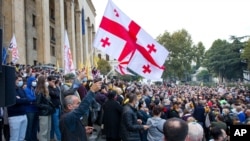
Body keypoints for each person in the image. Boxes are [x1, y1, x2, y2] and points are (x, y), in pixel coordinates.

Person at [7, 75, 29, 141]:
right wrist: (22, 100)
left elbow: (27, 99)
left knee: (22, 137)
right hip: (14, 116)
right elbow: (16, 101)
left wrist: (21, 99)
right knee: (14, 138)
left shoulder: (20, 89)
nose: (20, 82)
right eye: (18, 80)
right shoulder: (9, 90)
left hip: (23, 114)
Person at [36, 75, 55, 141]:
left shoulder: (46, 90)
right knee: (43, 131)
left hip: (48, 112)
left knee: (48, 130)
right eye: (45, 81)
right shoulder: (39, 91)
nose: (47, 82)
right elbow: (38, 104)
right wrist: (47, 107)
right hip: (43, 113)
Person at [24, 76, 39, 141]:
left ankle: (34, 138)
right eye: (33, 81)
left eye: (35, 81)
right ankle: (28, 138)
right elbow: (29, 99)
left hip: (35, 109)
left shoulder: (33, 89)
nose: (35, 82)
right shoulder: (26, 90)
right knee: (29, 126)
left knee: (35, 126)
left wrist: (34, 100)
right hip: (29, 110)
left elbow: (33, 99)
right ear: (30, 82)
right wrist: (36, 99)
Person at [47, 76, 61, 141]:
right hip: (53, 108)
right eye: (52, 81)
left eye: (54, 81)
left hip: (58, 107)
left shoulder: (56, 87)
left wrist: (55, 88)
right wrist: (55, 87)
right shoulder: (48, 88)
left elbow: (59, 94)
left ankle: (52, 137)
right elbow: (56, 95)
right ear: (49, 81)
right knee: (56, 125)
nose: (54, 83)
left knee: (54, 124)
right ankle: (59, 139)